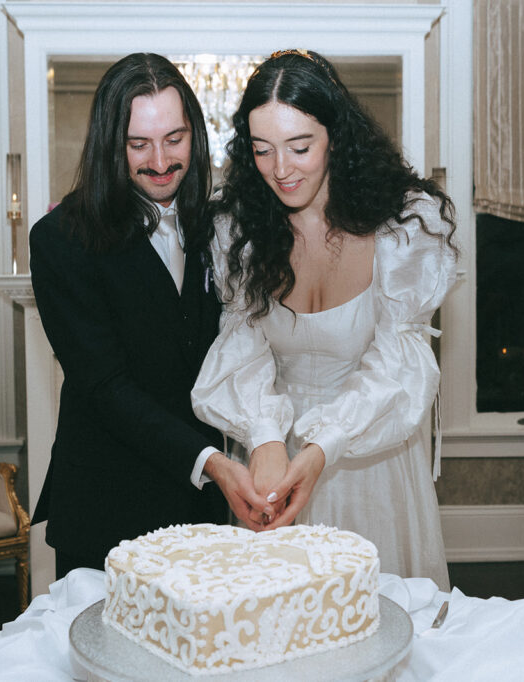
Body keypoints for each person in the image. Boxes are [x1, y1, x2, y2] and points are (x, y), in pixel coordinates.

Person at [192, 49, 457, 588]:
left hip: (371, 456)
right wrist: (266, 438)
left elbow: (399, 365)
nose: (281, 170)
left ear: (335, 135)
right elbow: (243, 347)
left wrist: (321, 449)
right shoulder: (238, 232)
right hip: (273, 462)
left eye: (300, 146)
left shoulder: (403, 228)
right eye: (262, 150)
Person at [29, 53, 268, 579]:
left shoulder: (216, 226)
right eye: (138, 144)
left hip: (200, 511)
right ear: (109, 144)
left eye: (174, 139)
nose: (160, 161)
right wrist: (214, 463)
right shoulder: (60, 240)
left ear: (195, 136)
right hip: (107, 508)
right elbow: (105, 387)